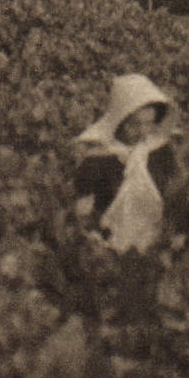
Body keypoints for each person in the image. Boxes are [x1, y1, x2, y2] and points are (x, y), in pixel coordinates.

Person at [70, 73, 180, 253]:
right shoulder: (97, 159)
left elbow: (174, 195)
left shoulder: (161, 152)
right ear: (119, 122)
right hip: (109, 248)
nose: (143, 132)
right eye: (135, 125)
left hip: (156, 247)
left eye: (149, 124)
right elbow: (84, 213)